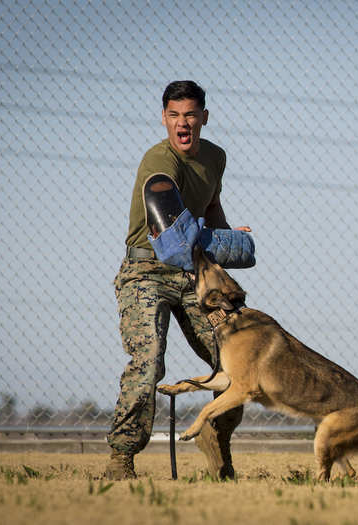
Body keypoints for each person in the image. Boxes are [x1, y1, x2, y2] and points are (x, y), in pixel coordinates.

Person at [104, 80, 248, 480]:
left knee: (237, 358)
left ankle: (216, 442)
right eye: (174, 115)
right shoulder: (158, 161)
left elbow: (211, 204)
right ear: (164, 118)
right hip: (147, 270)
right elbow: (172, 238)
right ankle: (122, 457)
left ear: (204, 118)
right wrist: (209, 243)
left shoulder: (215, 157)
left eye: (189, 115)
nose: (182, 123)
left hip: (194, 272)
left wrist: (228, 236)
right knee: (148, 360)